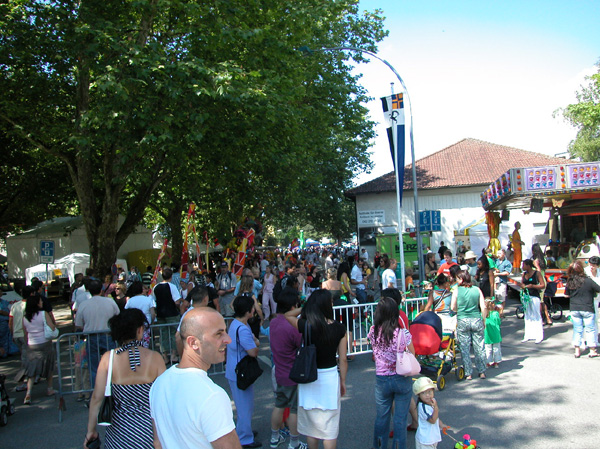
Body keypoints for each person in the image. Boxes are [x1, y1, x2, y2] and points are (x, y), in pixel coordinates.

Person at [150, 308, 242, 449]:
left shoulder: (159, 383)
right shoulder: (212, 396)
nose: (228, 339)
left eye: (225, 331)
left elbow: (158, 443)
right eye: (218, 334)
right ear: (193, 342)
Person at [84, 309, 166, 449]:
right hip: (150, 432)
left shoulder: (108, 358)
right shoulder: (156, 358)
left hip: (119, 432)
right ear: (140, 330)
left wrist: (91, 430)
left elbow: (97, 398)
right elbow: (163, 400)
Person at [285, 290, 347, 449]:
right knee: (329, 429)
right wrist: (343, 381)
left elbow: (288, 315)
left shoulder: (307, 325)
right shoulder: (340, 328)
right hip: (330, 377)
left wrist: (306, 306)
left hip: (309, 376)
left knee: (311, 428)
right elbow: (343, 359)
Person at [368, 297, 415, 449]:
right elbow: (412, 353)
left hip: (382, 378)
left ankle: (379, 446)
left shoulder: (373, 331)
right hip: (401, 376)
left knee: (382, 417)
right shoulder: (403, 333)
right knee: (400, 420)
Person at [269, 289, 307, 449]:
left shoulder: (273, 322)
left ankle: (274, 437)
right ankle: (294, 442)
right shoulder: (291, 326)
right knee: (294, 409)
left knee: (279, 405)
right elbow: (301, 343)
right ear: (292, 307)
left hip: (279, 371)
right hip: (292, 372)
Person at [226, 296, 262, 448]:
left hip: (235, 369)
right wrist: (256, 342)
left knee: (244, 405)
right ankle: (244, 438)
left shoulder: (235, 324)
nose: (254, 310)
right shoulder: (243, 328)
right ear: (248, 311)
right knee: (244, 407)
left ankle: (244, 430)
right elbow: (253, 351)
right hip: (240, 371)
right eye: (252, 308)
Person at [75, 278, 120, 387]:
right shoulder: (110, 302)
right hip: (108, 335)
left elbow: (79, 324)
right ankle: (113, 388)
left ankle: (96, 390)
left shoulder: (84, 305)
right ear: (101, 290)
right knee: (111, 364)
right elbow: (118, 316)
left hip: (91, 337)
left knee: (94, 367)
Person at [22, 291, 57, 404]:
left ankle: (28, 393)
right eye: (40, 301)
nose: (42, 302)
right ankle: (49, 388)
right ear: (37, 303)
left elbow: (25, 333)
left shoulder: (25, 317)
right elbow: (51, 327)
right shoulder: (43, 314)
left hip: (32, 344)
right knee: (49, 366)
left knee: (32, 369)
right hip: (45, 342)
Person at [450, 271, 487, 380]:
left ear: (461, 279)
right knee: (479, 346)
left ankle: (468, 373)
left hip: (463, 319)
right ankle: (482, 371)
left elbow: (452, 307)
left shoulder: (456, 291)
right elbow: (483, 306)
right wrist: (484, 320)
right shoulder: (477, 290)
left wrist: (459, 310)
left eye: (457, 279)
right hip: (476, 319)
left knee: (464, 348)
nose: (456, 281)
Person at [565, 260, 600, 358]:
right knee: (590, 329)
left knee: (577, 329)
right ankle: (592, 350)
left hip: (574, 308)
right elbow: (598, 289)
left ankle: (577, 350)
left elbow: (566, 295)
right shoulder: (588, 280)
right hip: (587, 307)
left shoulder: (570, 281)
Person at [152, 267, 182, 365]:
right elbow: (177, 301)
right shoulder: (172, 287)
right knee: (174, 334)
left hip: (160, 314)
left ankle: (164, 356)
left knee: (163, 334)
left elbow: (153, 301)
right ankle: (173, 354)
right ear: (171, 276)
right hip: (172, 313)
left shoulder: (156, 287)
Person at [412, 377, 449, 449]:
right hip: (425, 440)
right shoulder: (422, 407)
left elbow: (436, 416)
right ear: (419, 395)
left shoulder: (432, 401)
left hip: (432, 437)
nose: (427, 395)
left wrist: (441, 424)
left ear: (433, 391)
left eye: (429, 392)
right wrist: (436, 408)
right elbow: (432, 420)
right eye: (423, 393)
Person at [517, 259, 545, 344]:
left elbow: (543, 285)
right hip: (526, 297)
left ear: (528, 265)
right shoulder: (524, 274)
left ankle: (539, 336)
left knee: (536, 315)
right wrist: (522, 286)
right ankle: (528, 335)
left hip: (534, 296)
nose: (522, 267)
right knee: (527, 315)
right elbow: (522, 284)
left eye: (524, 265)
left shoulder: (537, 273)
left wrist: (533, 286)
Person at [124, 281, 156, 347]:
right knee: (145, 345)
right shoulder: (148, 300)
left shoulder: (130, 301)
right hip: (146, 324)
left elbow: (125, 312)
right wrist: (151, 322)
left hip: (134, 324)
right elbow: (153, 313)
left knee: (134, 344)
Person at [9, 287, 29, 392]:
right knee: (26, 360)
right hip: (24, 335)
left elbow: (10, 321)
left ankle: (31, 377)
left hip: (16, 334)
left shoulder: (15, 305)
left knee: (26, 357)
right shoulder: (29, 306)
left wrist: (12, 334)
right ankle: (20, 381)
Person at [584, 256, 600, 339]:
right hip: (587, 298)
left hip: (597, 298)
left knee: (596, 318)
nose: (591, 267)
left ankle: (595, 338)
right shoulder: (585, 272)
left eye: (593, 266)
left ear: (597, 266)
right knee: (587, 319)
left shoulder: (599, 272)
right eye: (590, 265)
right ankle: (586, 338)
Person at [484, 299, 502, 368]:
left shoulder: (484, 314)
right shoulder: (495, 313)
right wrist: (500, 312)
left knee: (487, 349)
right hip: (495, 333)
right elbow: (498, 322)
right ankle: (496, 362)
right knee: (496, 348)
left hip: (487, 334)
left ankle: (487, 362)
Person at [494, 249, 513, 316]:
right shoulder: (495, 261)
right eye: (498, 253)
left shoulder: (507, 263)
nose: (498, 255)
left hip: (502, 282)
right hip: (494, 282)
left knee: (502, 297)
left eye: (500, 253)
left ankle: (501, 312)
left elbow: (507, 272)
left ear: (504, 254)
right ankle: (495, 311)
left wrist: (498, 274)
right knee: (495, 296)